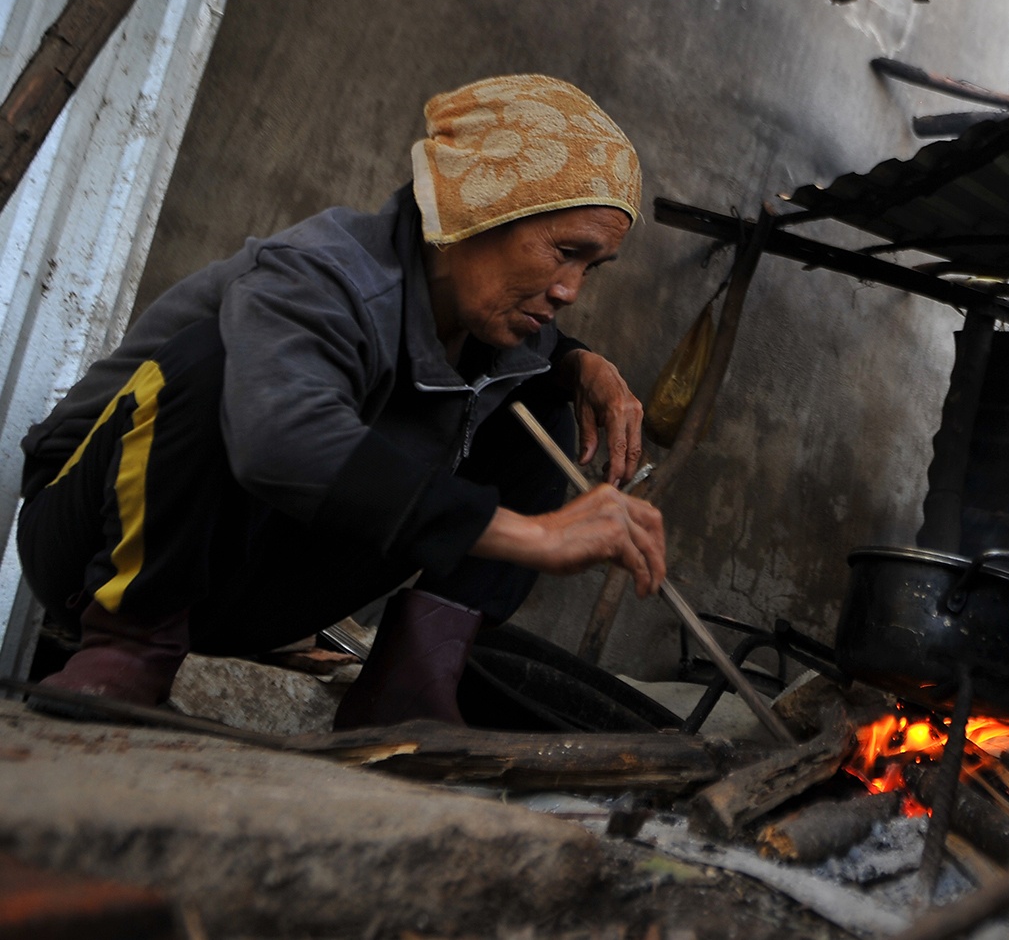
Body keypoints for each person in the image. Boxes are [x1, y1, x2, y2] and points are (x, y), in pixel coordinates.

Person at [15, 74, 666, 729]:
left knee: (537, 410)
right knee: (221, 360)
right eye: (565, 253)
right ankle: (127, 650)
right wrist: (531, 535)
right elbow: (281, 439)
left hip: (256, 592)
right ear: (478, 209)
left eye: (591, 267)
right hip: (88, 549)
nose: (569, 291)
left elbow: (527, 358)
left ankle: (407, 692)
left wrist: (580, 363)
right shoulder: (317, 271)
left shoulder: (497, 328)